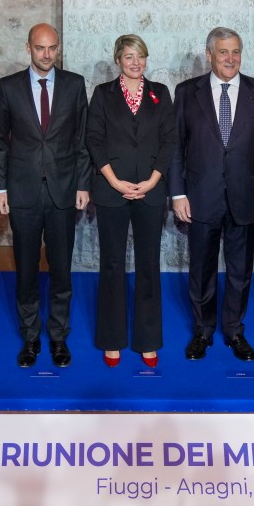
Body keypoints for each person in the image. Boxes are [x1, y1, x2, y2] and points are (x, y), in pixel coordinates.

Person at [170, 27, 254, 361]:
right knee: (201, 270)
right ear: (209, 54)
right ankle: (202, 332)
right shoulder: (187, 92)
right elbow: (175, 147)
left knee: (240, 271)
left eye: (236, 52)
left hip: (245, 199)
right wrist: (177, 194)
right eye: (223, 52)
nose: (230, 59)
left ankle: (234, 330)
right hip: (200, 197)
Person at [0, 23, 91, 369]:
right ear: (28, 48)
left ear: (58, 48)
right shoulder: (8, 88)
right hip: (22, 192)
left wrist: (83, 184)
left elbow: (82, 141)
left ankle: (60, 337)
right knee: (26, 270)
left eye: (51, 48)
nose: (46, 54)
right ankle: (31, 338)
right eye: (39, 48)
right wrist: (0, 187)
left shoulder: (75, 84)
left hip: (64, 191)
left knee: (62, 269)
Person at [86, 34, 176, 369]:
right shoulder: (103, 94)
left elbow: (169, 140)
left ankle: (147, 339)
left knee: (148, 265)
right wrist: (113, 180)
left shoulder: (160, 93)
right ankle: (112, 339)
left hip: (150, 190)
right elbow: (94, 139)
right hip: (113, 189)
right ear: (118, 60)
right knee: (111, 265)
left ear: (146, 59)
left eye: (140, 56)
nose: (135, 62)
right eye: (128, 56)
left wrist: (152, 180)